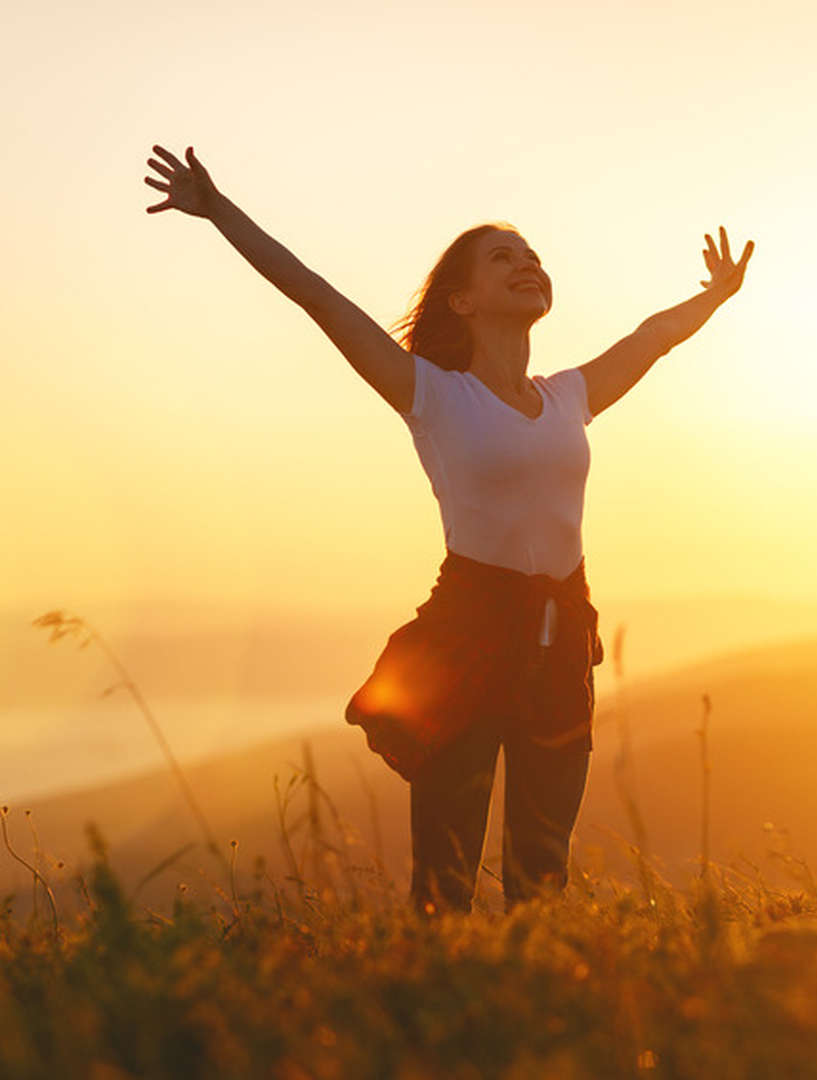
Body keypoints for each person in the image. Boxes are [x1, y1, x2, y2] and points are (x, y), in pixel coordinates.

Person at [143, 144, 754, 914]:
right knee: (447, 872)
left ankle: (531, 1008)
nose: (527, 264)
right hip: (467, 634)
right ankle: (437, 1011)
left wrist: (717, 296)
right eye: (503, 259)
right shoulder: (428, 392)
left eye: (532, 256)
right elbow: (319, 298)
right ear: (462, 302)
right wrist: (219, 210)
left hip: (562, 637)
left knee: (542, 867)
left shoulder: (571, 396)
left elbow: (651, 338)